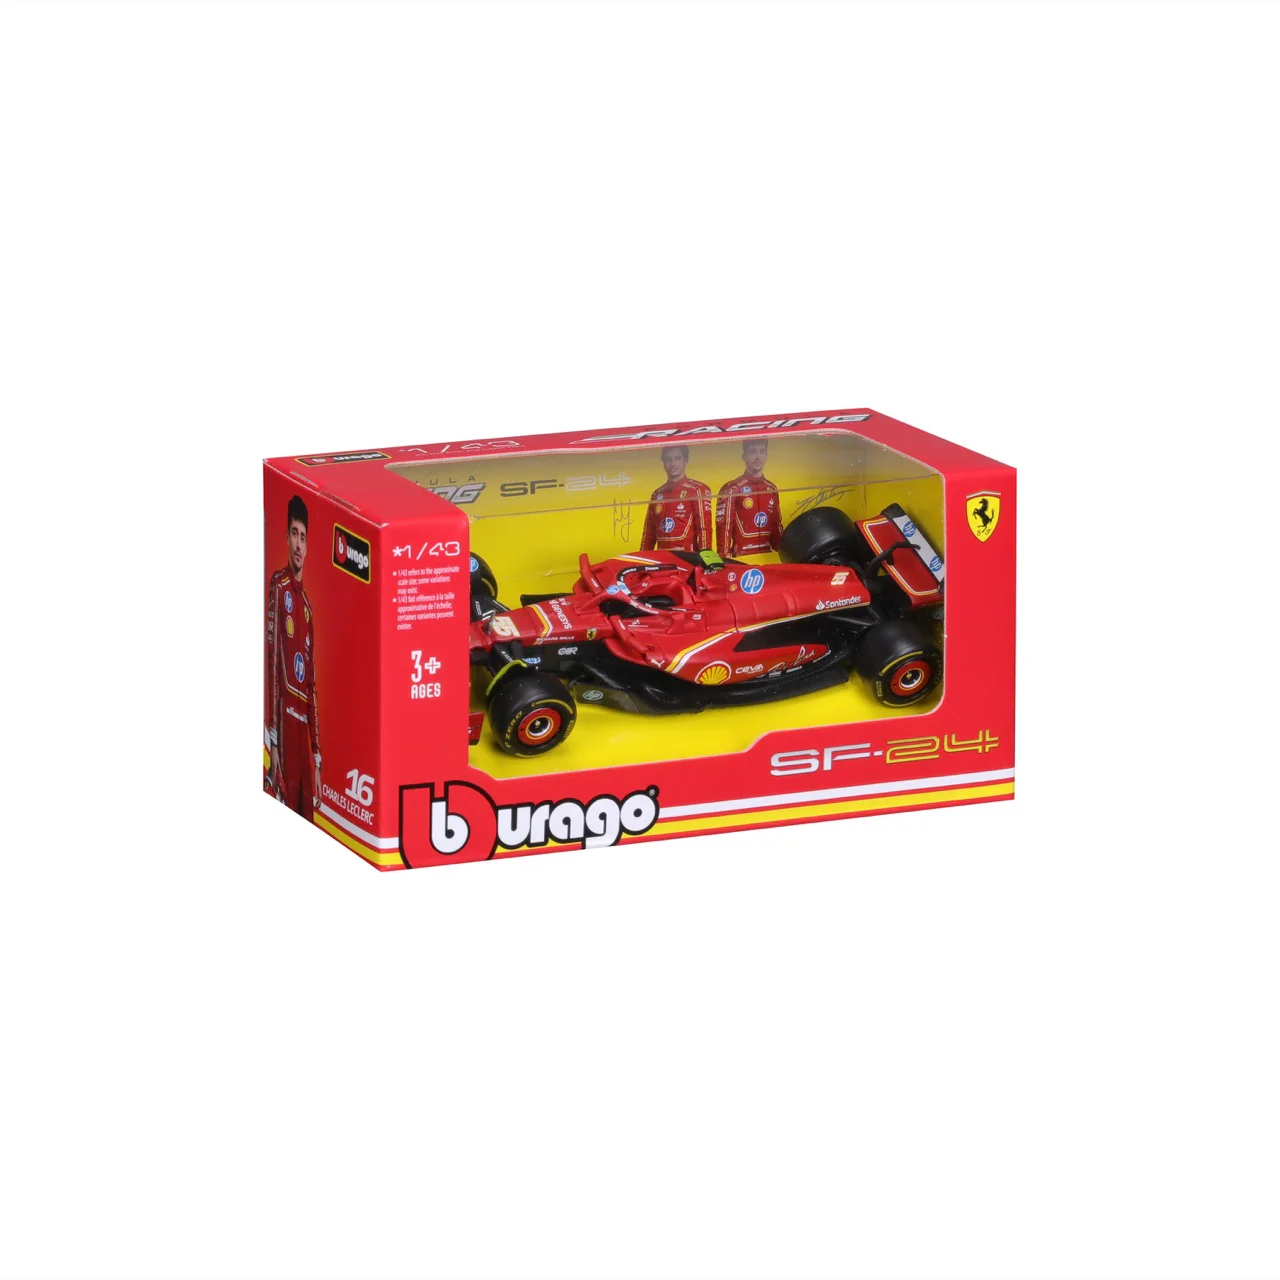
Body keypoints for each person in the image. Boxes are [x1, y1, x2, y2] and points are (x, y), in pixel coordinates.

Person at [266, 495, 322, 818]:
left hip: (305, 739)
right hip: (285, 725)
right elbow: (273, 661)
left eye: (303, 537)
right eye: (294, 534)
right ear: (286, 537)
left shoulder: (309, 609)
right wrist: (273, 740)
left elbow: (312, 686)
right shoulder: (279, 585)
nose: (299, 544)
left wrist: (317, 758)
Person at [638, 445, 713, 553]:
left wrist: (706, 555)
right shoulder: (657, 494)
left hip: (688, 558)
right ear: (664, 463)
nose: (673, 464)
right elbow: (649, 534)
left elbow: (704, 528)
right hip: (663, 558)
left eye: (677, 458)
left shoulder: (697, 490)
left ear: (685, 461)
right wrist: (642, 557)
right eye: (668, 459)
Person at [716, 439, 784, 556]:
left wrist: (782, 553)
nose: (758, 457)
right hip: (742, 556)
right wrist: (723, 558)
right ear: (744, 457)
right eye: (752, 452)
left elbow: (776, 526)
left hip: (767, 555)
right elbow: (724, 527)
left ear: (766, 456)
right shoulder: (731, 488)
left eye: (762, 451)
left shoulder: (771, 488)